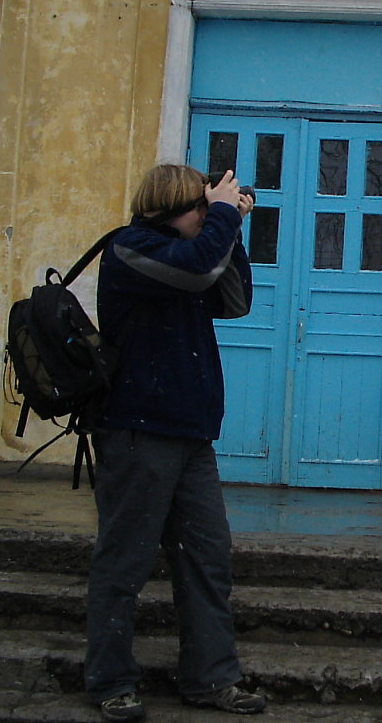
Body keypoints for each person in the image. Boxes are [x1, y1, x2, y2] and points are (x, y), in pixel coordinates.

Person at [84, 164, 266, 721]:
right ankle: (110, 681)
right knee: (124, 562)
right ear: (172, 207)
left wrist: (228, 230)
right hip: (138, 431)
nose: (209, 214)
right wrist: (221, 219)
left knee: (207, 561)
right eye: (201, 206)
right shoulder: (131, 250)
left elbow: (234, 301)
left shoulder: (196, 254)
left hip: (191, 435)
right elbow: (193, 271)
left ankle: (211, 678)